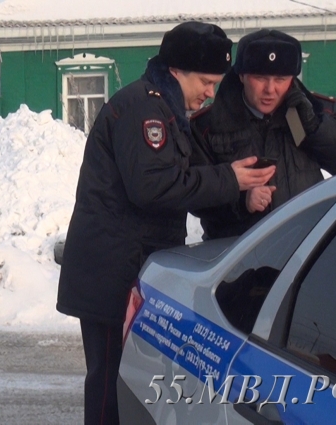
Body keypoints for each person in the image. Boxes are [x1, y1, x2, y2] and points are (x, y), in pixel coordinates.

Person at [56, 22, 275, 425]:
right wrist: (230, 179)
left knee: (133, 389)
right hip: (112, 277)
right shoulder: (144, 109)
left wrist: (238, 190)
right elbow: (153, 186)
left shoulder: (166, 109)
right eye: (206, 81)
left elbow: (185, 179)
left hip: (128, 271)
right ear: (178, 70)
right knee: (110, 393)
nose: (211, 92)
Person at [190, 29, 336, 239]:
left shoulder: (319, 114)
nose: (270, 89)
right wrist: (241, 202)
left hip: (303, 255)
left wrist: (315, 128)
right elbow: (196, 196)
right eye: (260, 78)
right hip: (236, 256)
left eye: (280, 79)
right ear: (241, 75)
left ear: (293, 79)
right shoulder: (207, 126)